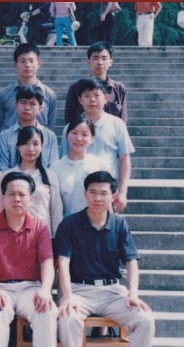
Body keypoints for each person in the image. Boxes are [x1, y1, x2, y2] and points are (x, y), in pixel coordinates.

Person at [57, 171, 155, 347]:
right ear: (85, 194)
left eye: (103, 193)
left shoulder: (119, 224)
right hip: (79, 291)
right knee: (67, 319)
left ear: (112, 196)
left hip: (112, 292)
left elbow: (131, 261)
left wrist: (133, 294)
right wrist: (68, 296)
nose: (97, 198)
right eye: (92, 192)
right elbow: (62, 262)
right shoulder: (69, 224)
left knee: (145, 319)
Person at [0, 172, 58, 347]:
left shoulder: (40, 227)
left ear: (31, 199)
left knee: (46, 310)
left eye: (22, 194)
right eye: (11, 194)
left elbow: (47, 261)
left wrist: (45, 290)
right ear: (3, 197)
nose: (17, 199)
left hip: (30, 288)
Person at [60, 77, 134, 213]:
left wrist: (122, 192)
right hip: (75, 192)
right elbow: (63, 159)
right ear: (79, 100)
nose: (92, 99)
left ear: (106, 98)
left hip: (105, 190)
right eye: (87, 96)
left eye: (96, 95)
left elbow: (124, 159)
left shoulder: (117, 124)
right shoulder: (70, 128)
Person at [4, 126, 63, 238]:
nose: (30, 149)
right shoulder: (8, 176)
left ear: (42, 147)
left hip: (43, 236)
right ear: (18, 147)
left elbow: (56, 213)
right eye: (25, 143)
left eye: (35, 144)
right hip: (14, 237)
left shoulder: (50, 176)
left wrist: (57, 240)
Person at [50, 117, 112, 217]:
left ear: (92, 139)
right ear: (67, 135)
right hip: (66, 224)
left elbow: (107, 203)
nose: (78, 138)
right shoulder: (55, 167)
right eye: (74, 133)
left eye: (84, 134)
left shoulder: (100, 165)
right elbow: (53, 207)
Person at [0, 43, 57, 135]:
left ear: (39, 63)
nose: (27, 65)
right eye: (23, 61)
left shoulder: (49, 95)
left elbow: (50, 127)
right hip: (9, 143)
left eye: (31, 61)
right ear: (15, 65)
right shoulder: (3, 95)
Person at [0, 86, 59, 171]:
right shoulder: (5, 136)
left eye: (32, 104)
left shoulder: (50, 136)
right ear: (16, 105)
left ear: (40, 108)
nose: (27, 107)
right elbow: (3, 168)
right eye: (23, 102)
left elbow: (53, 168)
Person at [65, 41, 127, 124]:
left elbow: (123, 120)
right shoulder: (76, 88)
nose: (100, 62)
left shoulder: (119, 88)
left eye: (104, 58)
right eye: (95, 58)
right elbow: (70, 119)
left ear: (110, 62)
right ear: (88, 62)